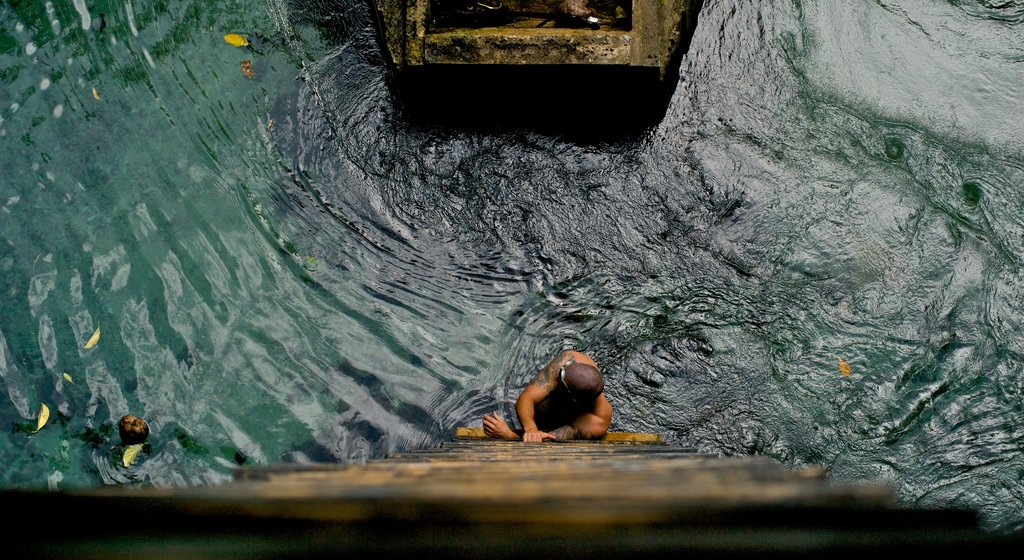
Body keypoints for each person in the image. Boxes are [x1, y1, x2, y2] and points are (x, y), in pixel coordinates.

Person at [482, 350, 612, 441]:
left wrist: (509, 435)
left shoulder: (597, 422)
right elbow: (527, 398)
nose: (559, 372)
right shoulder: (569, 360)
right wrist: (531, 428)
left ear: (573, 399)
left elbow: (549, 440)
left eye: (561, 378)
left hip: (557, 422)